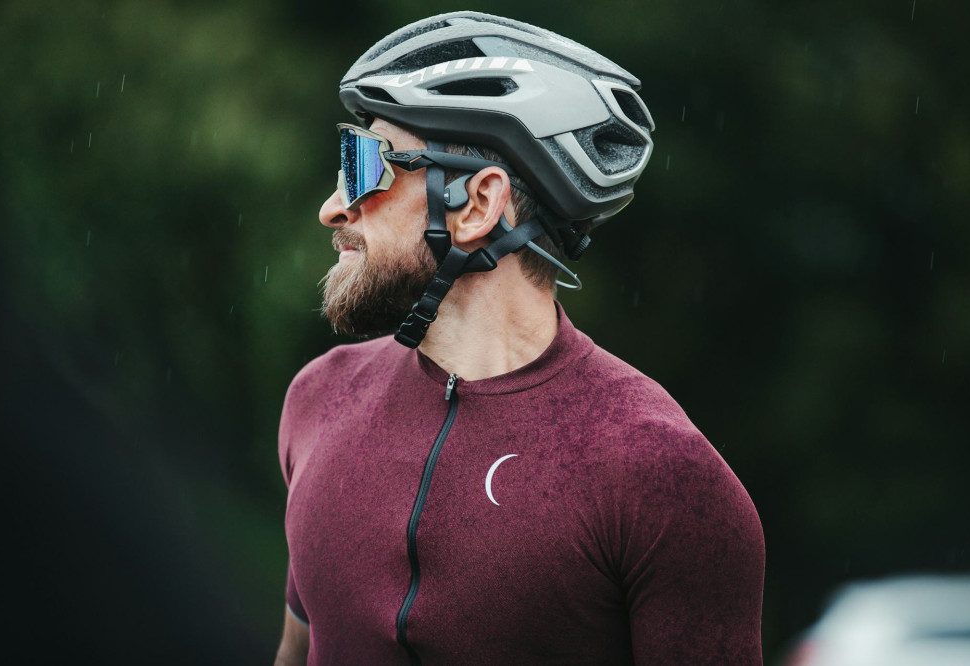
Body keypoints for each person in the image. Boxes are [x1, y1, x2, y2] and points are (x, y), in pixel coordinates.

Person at [275, 11, 765, 666]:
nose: (333, 207)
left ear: (478, 205)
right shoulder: (320, 400)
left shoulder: (659, 475)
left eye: (363, 165)